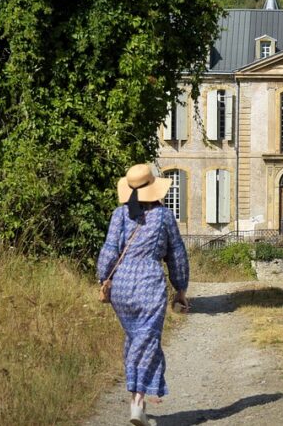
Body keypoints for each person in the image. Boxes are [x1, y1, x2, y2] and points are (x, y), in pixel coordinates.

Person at [97, 163, 190, 426]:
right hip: (149, 283)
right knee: (147, 341)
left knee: (136, 339)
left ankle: (140, 403)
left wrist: (104, 278)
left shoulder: (119, 215)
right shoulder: (163, 217)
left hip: (122, 288)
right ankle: (137, 403)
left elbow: (108, 251)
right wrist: (180, 288)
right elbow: (176, 254)